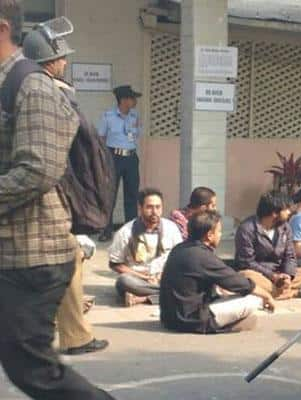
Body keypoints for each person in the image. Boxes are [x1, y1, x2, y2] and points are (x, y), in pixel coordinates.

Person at [0, 4, 113, 398]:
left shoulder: (32, 87)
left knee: (29, 365)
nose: (63, 61)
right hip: (13, 248)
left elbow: (37, 170)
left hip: (33, 254)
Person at [22, 26, 110, 356]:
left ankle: (74, 333)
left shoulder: (30, 87)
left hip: (40, 190)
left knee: (67, 256)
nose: (64, 61)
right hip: (41, 192)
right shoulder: (48, 93)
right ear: (51, 60)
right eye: (60, 56)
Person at [160, 210, 275, 334]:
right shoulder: (202, 256)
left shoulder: (179, 249)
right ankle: (229, 325)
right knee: (253, 299)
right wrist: (267, 296)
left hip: (169, 318)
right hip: (192, 320)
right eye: (219, 231)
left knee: (230, 295)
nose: (220, 235)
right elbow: (237, 282)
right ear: (209, 235)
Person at [235, 191, 301, 300]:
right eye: (286, 209)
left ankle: (271, 292)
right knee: (247, 277)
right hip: (259, 274)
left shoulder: (285, 227)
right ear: (274, 213)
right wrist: (272, 276)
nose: (289, 212)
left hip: (279, 274)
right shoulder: (247, 229)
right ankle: (295, 293)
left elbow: (290, 256)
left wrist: (288, 275)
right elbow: (247, 262)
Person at [108, 188, 182, 306]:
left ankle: (143, 298)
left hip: (165, 276)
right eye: (149, 207)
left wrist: (161, 274)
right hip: (139, 279)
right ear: (140, 208)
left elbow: (179, 257)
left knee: (188, 278)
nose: (154, 212)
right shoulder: (125, 232)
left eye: (158, 207)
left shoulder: (171, 228)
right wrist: (144, 277)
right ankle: (172, 295)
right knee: (123, 281)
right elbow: (115, 264)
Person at [97, 84, 143, 242]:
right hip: (113, 157)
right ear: (123, 100)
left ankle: (131, 230)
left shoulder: (135, 116)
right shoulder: (108, 116)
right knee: (110, 195)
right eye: (132, 98)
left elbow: (136, 136)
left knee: (132, 195)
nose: (135, 101)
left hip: (130, 158)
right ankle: (106, 230)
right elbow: (101, 138)